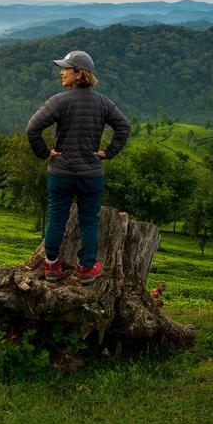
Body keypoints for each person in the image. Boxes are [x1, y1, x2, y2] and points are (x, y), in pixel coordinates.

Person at [26, 50, 130, 285]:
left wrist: (45, 152)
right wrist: (108, 152)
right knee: (89, 221)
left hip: (60, 172)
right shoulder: (103, 102)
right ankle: (86, 269)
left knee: (56, 218)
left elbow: (32, 128)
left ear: (79, 73)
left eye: (66, 68)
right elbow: (124, 127)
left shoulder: (58, 101)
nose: (61, 72)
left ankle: (52, 266)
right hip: (90, 174)